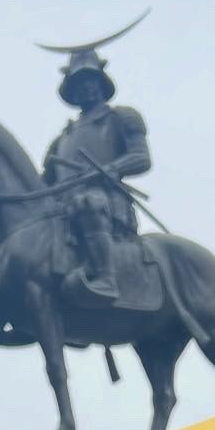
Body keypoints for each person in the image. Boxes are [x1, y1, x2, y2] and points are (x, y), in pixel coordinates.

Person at [41, 47, 151, 303]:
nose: (86, 88)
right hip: (63, 208)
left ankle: (106, 278)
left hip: (106, 202)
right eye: (79, 84)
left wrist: (109, 170)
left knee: (88, 202)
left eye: (90, 81)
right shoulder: (62, 138)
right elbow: (45, 181)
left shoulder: (121, 117)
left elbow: (141, 158)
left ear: (101, 83)